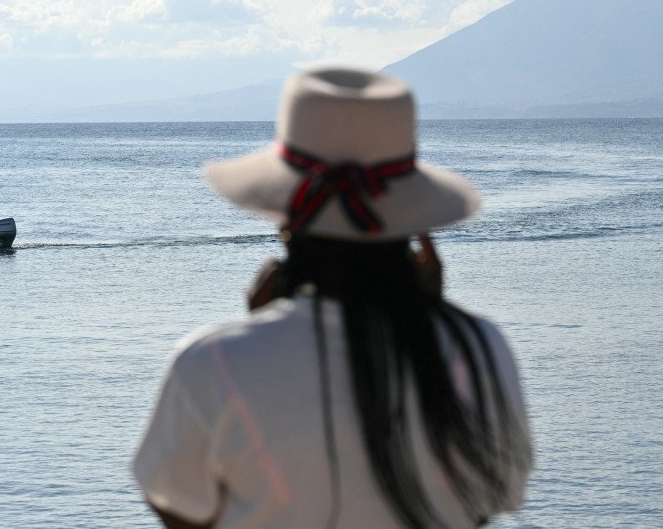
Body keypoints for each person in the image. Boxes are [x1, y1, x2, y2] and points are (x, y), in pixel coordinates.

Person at [133, 68, 533, 529]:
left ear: (286, 219)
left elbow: (182, 511)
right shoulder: (479, 348)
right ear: (411, 226)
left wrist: (260, 337)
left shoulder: (212, 361)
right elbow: (484, 505)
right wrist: (433, 321)